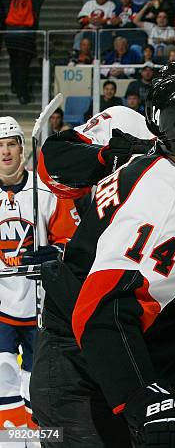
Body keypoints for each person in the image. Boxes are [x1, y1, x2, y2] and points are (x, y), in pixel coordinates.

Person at [30, 69, 175, 447]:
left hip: (137, 353)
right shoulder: (165, 194)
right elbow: (52, 162)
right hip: (81, 365)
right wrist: (142, 398)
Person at [0, 116, 79, 429]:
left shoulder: (45, 191)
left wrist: (55, 252)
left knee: (38, 375)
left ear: (22, 150)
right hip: (1, 304)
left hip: (39, 302)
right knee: (3, 368)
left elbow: (72, 241)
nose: (5, 152)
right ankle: (9, 432)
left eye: (11, 145)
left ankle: (37, 431)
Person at [5, 0, 51, 104]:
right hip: (26, 36)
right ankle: (22, 94)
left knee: (14, 60)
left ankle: (14, 85)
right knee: (23, 66)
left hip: (10, 35)